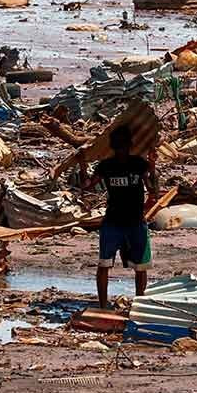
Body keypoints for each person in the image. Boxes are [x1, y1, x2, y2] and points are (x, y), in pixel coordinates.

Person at [83, 125, 157, 308]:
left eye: (122, 146)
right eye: (118, 147)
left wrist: (153, 165)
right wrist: (81, 164)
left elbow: (153, 190)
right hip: (113, 221)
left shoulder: (139, 164)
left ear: (129, 146)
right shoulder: (106, 166)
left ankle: (139, 304)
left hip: (135, 221)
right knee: (104, 263)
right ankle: (102, 305)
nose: (121, 150)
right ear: (114, 147)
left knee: (140, 266)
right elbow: (87, 186)